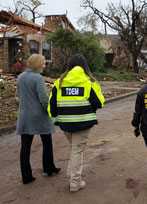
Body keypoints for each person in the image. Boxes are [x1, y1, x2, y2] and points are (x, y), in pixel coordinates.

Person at [48, 54, 105, 192]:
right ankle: (75, 182)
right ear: (85, 65)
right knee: (77, 151)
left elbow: (52, 105)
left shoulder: (59, 82)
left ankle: (72, 174)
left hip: (65, 123)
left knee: (75, 149)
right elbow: (99, 103)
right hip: (83, 123)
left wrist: (55, 120)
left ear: (69, 65)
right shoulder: (89, 82)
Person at [16, 54, 60, 184]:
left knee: (25, 147)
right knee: (47, 142)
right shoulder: (38, 78)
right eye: (43, 63)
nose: (44, 65)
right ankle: (49, 168)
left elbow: (20, 95)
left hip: (24, 115)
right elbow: (44, 99)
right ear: (37, 64)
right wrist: (51, 112)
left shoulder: (20, 77)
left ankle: (26, 176)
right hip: (39, 115)